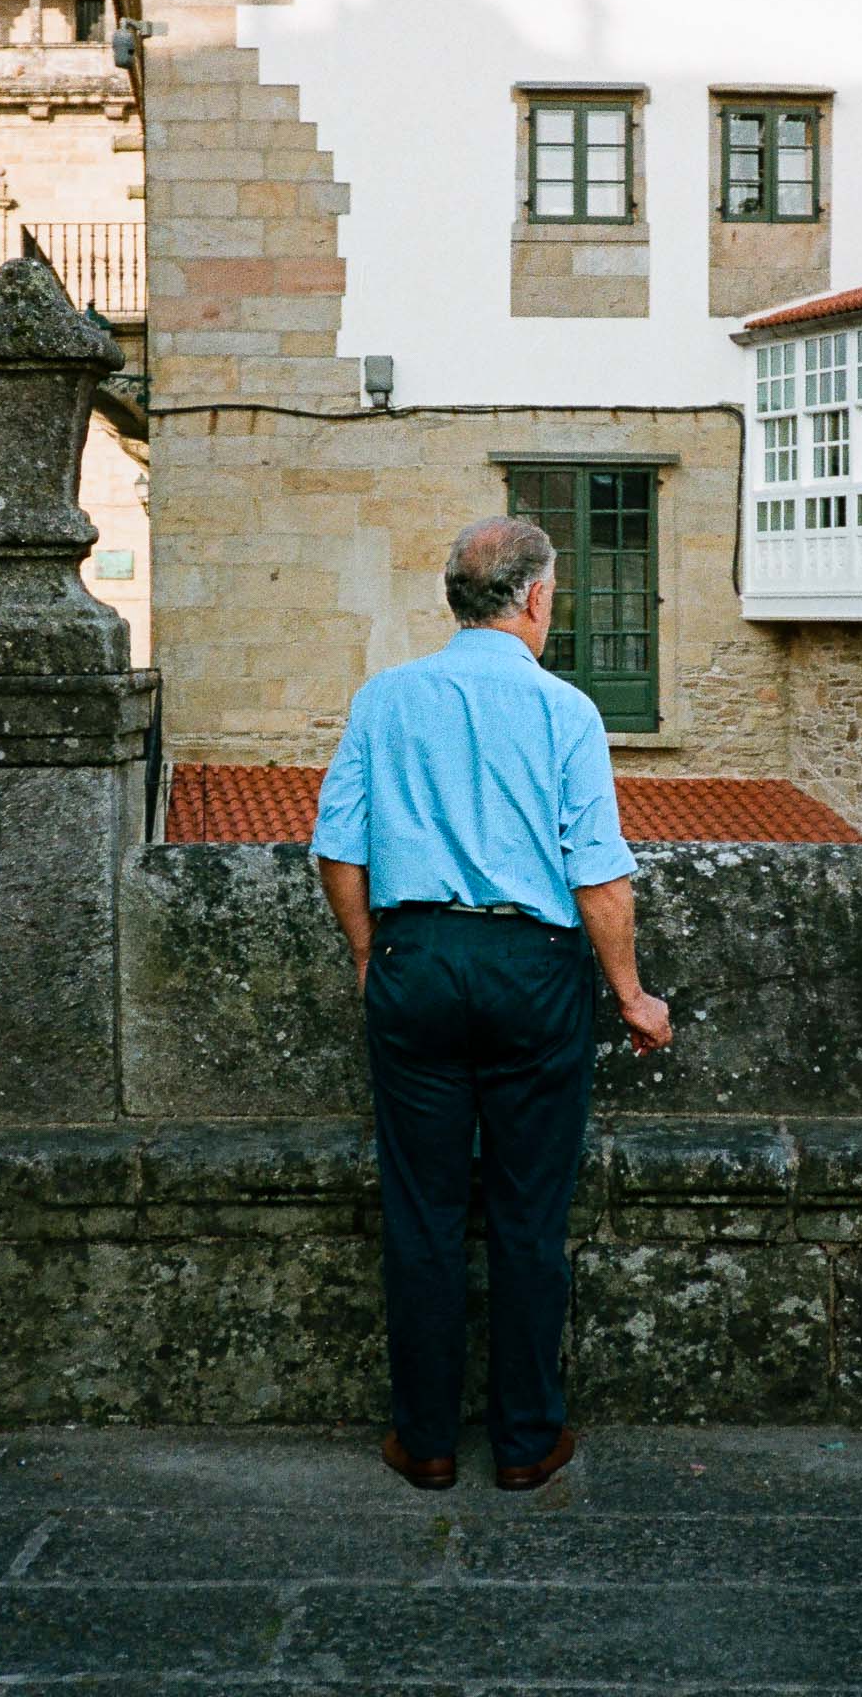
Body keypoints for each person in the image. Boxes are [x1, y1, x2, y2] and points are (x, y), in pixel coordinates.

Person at [311, 515, 673, 1497]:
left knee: (420, 1211)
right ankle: (524, 1440)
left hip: (416, 956)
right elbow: (597, 875)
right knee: (526, 1213)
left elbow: (336, 849)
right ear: (537, 598)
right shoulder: (565, 710)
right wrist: (632, 996)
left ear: (453, 600)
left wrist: (365, 953)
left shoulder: (383, 700)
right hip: (529, 966)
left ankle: (423, 1439)